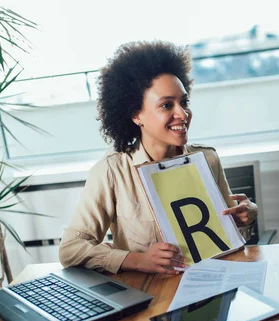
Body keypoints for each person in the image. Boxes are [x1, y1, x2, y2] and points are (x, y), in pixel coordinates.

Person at [59, 40, 257, 276]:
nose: (182, 114)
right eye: (166, 105)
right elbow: (71, 250)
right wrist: (137, 260)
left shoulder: (207, 158)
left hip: (212, 280)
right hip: (150, 294)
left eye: (184, 102)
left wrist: (247, 217)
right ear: (136, 114)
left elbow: (231, 239)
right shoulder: (112, 172)